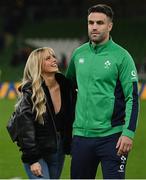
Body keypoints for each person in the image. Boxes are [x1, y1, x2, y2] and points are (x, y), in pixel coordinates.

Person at [66, 4, 139, 179]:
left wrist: (128, 133)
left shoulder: (122, 57)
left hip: (113, 138)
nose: (94, 27)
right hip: (81, 137)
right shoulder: (78, 54)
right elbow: (66, 88)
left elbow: (132, 98)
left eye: (100, 22)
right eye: (91, 22)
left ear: (109, 26)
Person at [11, 47, 76, 179]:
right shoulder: (30, 92)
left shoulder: (66, 87)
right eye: (48, 58)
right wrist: (33, 159)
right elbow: (25, 129)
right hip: (36, 152)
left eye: (53, 56)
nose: (54, 60)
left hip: (59, 150)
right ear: (38, 65)